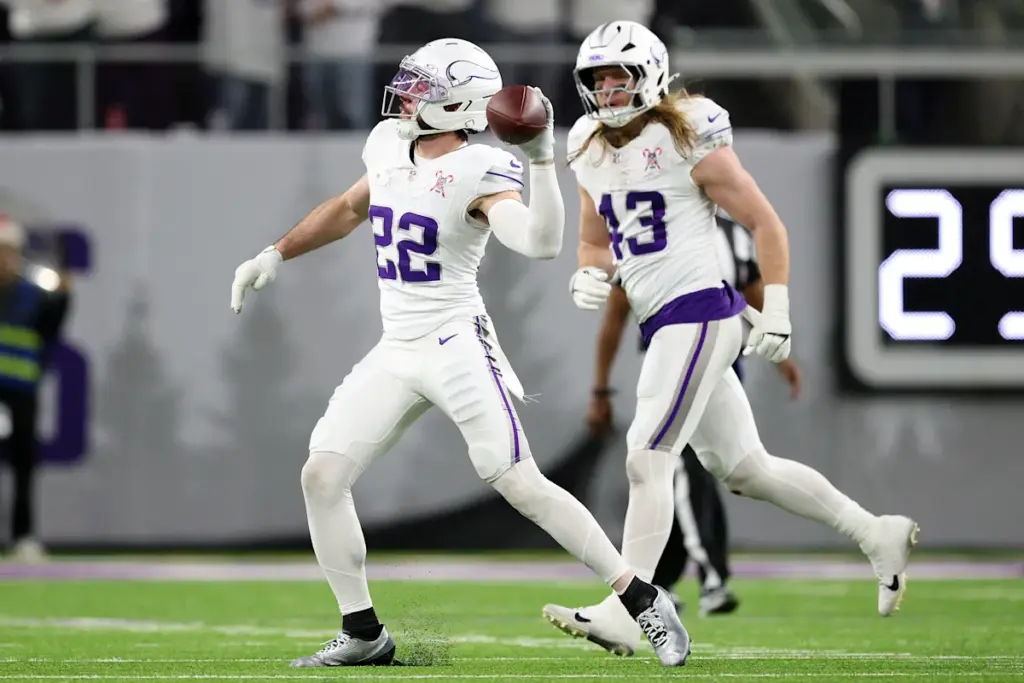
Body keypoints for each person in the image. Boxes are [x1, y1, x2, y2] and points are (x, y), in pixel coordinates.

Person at [229, 38, 692, 668]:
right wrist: (275, 253)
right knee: (322, 476)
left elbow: (539, 243)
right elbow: (348, 208)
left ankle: (641, 599)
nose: (406, 96)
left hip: (454, 342)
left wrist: (541, 163)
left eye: (422, 89)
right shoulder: (387, 144)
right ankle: (363, 631)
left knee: (519, 482)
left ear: (458, 106)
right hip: (397, 347)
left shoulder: (481, 169)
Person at [540, 20, 919, 657]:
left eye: (619, 78)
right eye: (597, 80)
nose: (607, 91)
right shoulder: (586, 143)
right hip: (663, 319)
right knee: (745, 469)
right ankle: (875, 532)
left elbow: (765, 223)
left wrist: (779, 307)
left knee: (646, 456)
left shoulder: (687, 134)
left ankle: (631, 610)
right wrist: (589, 271)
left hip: (698, 312)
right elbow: (594, 238)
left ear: (650, 78)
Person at [585, 212, 803, 618]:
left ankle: (676, 580)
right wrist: (600, 388)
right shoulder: (648, 228)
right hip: (670, 361)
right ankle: (689, 578)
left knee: (708, 470)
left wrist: (782, 355)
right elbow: (616, 314)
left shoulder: (731, 235)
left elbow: (754, 297)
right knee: (677, 470)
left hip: (719, 363)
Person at [0, 218, 71, 562]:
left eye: (10, 252)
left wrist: (65, 295)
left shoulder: (35, 296)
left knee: (24, 465)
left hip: (22, 391)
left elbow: (52, 330)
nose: (5, 260)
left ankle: (23, 535)